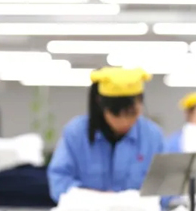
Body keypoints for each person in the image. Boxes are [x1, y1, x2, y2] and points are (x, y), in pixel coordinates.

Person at [47, 67, 165, 202]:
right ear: (100, 105)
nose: (125, 121)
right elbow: (59, 181)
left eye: (132, 114)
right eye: (116, 114)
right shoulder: (75, 134)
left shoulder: (153, 136)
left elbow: (164, 188)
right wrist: (97, 198)